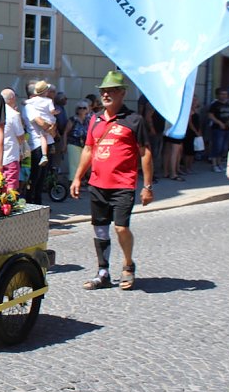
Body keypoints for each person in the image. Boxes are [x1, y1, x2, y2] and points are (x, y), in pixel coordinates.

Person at [70, 71, 153, 292]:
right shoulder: (95, 119)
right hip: (98, 184)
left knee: (121, 227)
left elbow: (145, 153)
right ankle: (103, 272)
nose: (106, 94)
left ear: (122, 93)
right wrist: (78, 177)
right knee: (99, 230)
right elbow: (88, 149)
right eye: (103, 91)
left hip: (123, 184)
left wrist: (147, 186)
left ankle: (128, 264)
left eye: (111, 90)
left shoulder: (134, 120)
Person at [25, 80, 57, 167]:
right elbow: (41, 123)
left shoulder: (38, 102)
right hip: (37, 144)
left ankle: (45, 155)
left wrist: (52, 129)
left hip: (48, 142)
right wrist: (50, 128)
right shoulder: (30, 106)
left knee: (44, 175)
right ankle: (44, 155)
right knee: (38, 175)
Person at [0, 89, 25, 191]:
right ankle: (9, 205)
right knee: (11, 185)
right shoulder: (13, 114)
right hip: (11, 155)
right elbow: (21, 136)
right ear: (12, 99)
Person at [63, 99, 91, 186]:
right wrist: (64, 145)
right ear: (77, 109)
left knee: (84, 165)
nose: (82, 110)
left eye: (84, 108)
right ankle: (72, 184)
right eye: (80, 108)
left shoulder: (89, 119)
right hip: (73, 144)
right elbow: (65, 132)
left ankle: (79, 183)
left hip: (85, 145)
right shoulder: (73, 119)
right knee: (74, 165)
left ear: (87, 109)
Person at [208, 87, 229, 173]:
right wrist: (219, 123)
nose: (224, 96)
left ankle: (219, 163)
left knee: (224, 147)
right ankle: (214, 164)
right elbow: (210, 115)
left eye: (225, 94)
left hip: (227, 128)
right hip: (217, 129)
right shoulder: (215, 104)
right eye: (222, 94)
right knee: (217, 147)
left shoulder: (228, 104)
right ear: (218, 95)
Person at [182, 97, 202, 174]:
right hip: (189, 133)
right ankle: (186, 167)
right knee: (188, 151)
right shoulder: (189, 111)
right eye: (194, 100)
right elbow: (190, 123)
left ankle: (190, 166)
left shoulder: (195, 110)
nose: (196, 102)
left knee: (192, 151)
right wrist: (196, 132)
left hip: (195, 132)